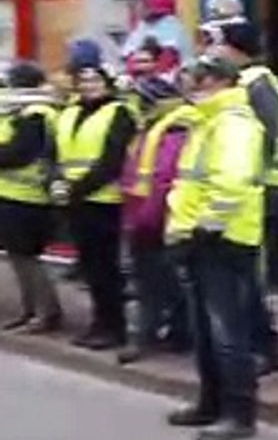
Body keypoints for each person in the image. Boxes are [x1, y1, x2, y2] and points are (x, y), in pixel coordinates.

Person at [164, 55, 267, 440]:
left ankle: (239, 413)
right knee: (206, 329)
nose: (191, 86)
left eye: (198, 79)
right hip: (202, 237)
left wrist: (206, 228)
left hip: (223, 240)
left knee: (228, 330)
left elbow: (232, 183)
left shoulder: (233, 123)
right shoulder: (208, 121)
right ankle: (210, 402)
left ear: (219, 81)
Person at [203, 17, 278, 375]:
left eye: (219, 43)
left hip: (260, 187)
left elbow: (265, 137)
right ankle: (257, 342)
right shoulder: (245, 82)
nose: (214, 51)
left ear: (234, 48)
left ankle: (266, 346)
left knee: (250, 274)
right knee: (244, 274)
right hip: (249, 186)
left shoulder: (259, 84)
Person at [52, 64, 137, 350]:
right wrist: (57, 181)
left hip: (103, 200)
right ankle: (99, 322)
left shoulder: (119, 112)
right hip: (74, 199)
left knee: (106, 269)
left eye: (95, 80)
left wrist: (76, 189)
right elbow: (56, 153)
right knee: (89, 268)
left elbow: (112, 160)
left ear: (108, 83)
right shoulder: (70, 112)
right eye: (83, 80)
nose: (89, 85)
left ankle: (114, 327)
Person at [118, 77, 198, 365]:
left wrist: (144, 218)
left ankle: (145, 337)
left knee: (151, 282)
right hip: (146, 216)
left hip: (155, 219)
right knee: (164, 280)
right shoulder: (154, 129)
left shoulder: (172, 132)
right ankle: (180, 333)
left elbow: (161, 180)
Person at [0, 62, 63, 333]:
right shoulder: (18, 111)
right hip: (13, 194)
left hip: (29, 196)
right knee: (18, 256)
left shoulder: (36, 113)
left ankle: (45, 313)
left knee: (27, 256)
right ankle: (31, 311)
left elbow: (20, 153)